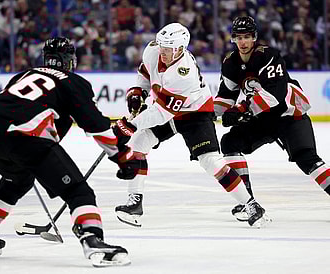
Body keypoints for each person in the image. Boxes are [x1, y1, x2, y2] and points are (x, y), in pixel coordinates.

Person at [0, 37, 133, 267]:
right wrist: (120, 156)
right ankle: (94, 241)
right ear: (70, 61)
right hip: (27, 140)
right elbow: (95, 125)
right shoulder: (73, 81)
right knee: (77, 190)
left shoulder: (23, 75)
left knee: (17, 180)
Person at [111, 23, 270, 228]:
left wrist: (130, 125)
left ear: (180, 49)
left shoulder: (183, 73)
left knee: (210, 161)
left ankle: (251, 205)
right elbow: (145, 72)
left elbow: (161, 113)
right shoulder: (153, 49)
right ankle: (135, 204)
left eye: (169, 49)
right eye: (162, 47)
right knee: (138, 145)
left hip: (195, 114)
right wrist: (137, 91)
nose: (164, 52)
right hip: (168, 109)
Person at [214, 16, 330, 222]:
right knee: (230, 142)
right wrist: (206, 113)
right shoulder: (231, 63)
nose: (243, 42)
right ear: (233, 39)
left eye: (247, 37)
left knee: (308, 160)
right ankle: (246, 200)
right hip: (262, 118)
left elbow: (274, 96)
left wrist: (240, 109)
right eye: (239, 37)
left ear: (254, 38)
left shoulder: (269, 56)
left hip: (288, 115)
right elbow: (225, 97)